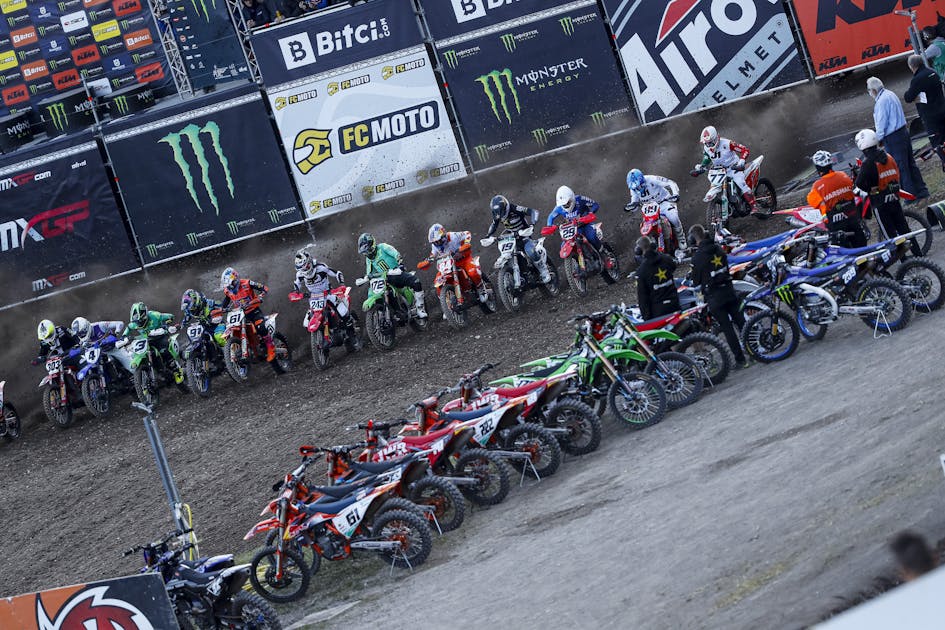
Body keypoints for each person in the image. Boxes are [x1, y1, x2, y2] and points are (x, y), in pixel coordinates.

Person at [853, 129, 923, 256]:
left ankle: (904, 262)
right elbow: (896, 174)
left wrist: (870, 188)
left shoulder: (868, 163)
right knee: (905, 230)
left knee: (890, 237)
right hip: (894, 198)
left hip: (880, 203)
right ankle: (918, 255)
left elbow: (859, 183)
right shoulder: (889, 157)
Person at [689, 224, 749, 369]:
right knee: (741, 323)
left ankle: (741, 360)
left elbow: (696, 282)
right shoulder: (718, 249)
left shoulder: (697, 258)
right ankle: (754, 350)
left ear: (693, 240)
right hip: (729, 290)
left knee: (727, 329)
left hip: (715, 297)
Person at [867, 76, 929, 201]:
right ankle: (922, 190)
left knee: (901, 167)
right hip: (903, 133)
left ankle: (910, 195)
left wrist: (877, 140)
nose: (869, 93)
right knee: (910, 163)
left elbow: (881, 124)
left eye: (869, 90)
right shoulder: (890, 94)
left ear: (873, 90)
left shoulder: (881, 102)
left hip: (893, 138)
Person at [481, 194, 552, 283]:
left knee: (530, 251)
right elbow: (494, 225)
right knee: (507, 254)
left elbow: (533, 212)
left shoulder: (514, 208)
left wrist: (532, 224)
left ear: (505, 207)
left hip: (524, 234)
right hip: (511, 238)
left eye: (501, 211)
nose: (500, 215)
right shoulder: (497, 215)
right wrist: (488, 235)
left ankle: (544, 270)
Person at [357, 233, 428, 319]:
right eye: (364, 252)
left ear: (372, 245)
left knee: (415, 281)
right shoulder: (368, 259)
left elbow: (395, 253)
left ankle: (420, 308)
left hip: (395, 273)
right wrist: (365, 278)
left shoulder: (382, 247)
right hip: (382, 280)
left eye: (368, 250)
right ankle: (384, 314)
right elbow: (369, 272)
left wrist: (399, 262)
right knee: (371, 290)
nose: (367, 253)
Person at [807, 150, 867, 247]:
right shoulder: (843, 176)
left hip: (835, 226)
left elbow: (812, 201)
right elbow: (853, 190)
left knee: (841, 251)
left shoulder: (817, 186)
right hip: (853, 219)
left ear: (818, 168)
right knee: (861, 247)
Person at [692, 125, 758, 213]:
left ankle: (754, 206)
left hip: (734, 168)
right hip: (719, 171)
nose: (708, 145)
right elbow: (707, 158)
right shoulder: (706, 147)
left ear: (716, 139)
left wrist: (742, 161)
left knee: (741, 183)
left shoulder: (727, 143)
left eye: (710, 143)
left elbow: (744, 150)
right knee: (715, 185)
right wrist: (701, 166)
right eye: (706, 143)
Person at [219, 267, 276, 362]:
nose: (230, 287)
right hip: (240, 314)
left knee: (260, 327)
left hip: (253, 311)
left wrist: (260, 296)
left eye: (231, 284)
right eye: (228, 286)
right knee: (232, 329)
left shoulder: (247, 283)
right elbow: (226, 300)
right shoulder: (228, 291)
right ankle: (240, 352)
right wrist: (221, 309)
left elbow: (264, 288)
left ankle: (271, 347)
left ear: (236, 279)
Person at [292, 248, 356, 330]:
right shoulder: (299, 274)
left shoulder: (320, 268)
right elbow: (297, 284)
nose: (304, 270)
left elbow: (337, 273)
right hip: (314, 298)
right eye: (302, 269)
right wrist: (296, 292)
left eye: (306, 267)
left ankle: (352, 331)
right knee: (306, 324)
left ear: (309, 261)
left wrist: (342, 285)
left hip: (328, 294)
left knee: (342, 311)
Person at [427, 223, 490, 304]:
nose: (437, 243)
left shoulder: (453, 236)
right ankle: (446, 302)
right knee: (438, 280)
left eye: (439, 240)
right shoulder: (435, 246)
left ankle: (481, 288)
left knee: (473, 272)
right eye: (435, 242)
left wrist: (466, 244)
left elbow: (467, 233)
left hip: (464, 260)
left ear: (444, 236)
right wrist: (429, 260)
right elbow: (433, 254)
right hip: (449, 264)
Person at [625, 168, 686, 250]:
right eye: (636, 188)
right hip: (649, 208)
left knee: (673, 217)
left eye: (639, 186)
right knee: (645, 226)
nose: (638, 188)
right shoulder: (633, 189)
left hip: (663, 202)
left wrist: (675, 194)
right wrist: (631, 206)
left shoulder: (652, 179)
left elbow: (670, 183)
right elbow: (634, 204)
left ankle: (681, 237)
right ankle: (650, 245)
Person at [123, 302, 185, 383]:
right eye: (136, 322)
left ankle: (176, 370)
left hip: (160, 337)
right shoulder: (134, 323)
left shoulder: (154, 315)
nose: (138, 324)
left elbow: (170, 316)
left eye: (140, 321)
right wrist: (123, 337)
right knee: (140, 353)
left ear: (144, 315)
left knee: (164, 351)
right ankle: (151, 372)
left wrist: (166, 324)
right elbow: (128, 328)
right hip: (147, 340)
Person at [904, 54, 945, 169]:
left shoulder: (917, 79)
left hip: (930, 117)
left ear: (911, 66)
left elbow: (908, 97)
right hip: (942, 110)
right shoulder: (933, 72)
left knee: (937, 142)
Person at [635, 236, 680, 320]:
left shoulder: (641, 271)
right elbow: (673, 266)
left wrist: (646, 318)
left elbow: (643, 298)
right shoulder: (666, 259)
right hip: (675, 303)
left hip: (658, 311)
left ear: (639, 251)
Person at [546, 185, 604, 252]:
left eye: (567, 203)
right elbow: (551, 216)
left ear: (572, 198)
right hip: (573, 228)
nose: (566, 206)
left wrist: (590, 213)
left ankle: (603, 252)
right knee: (564, 246)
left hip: (586, 224)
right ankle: (575, 257)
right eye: (564, 205)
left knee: (591, 237)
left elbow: (595, 204)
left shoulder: (580, 199)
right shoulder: (559, 208)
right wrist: (549, 226)